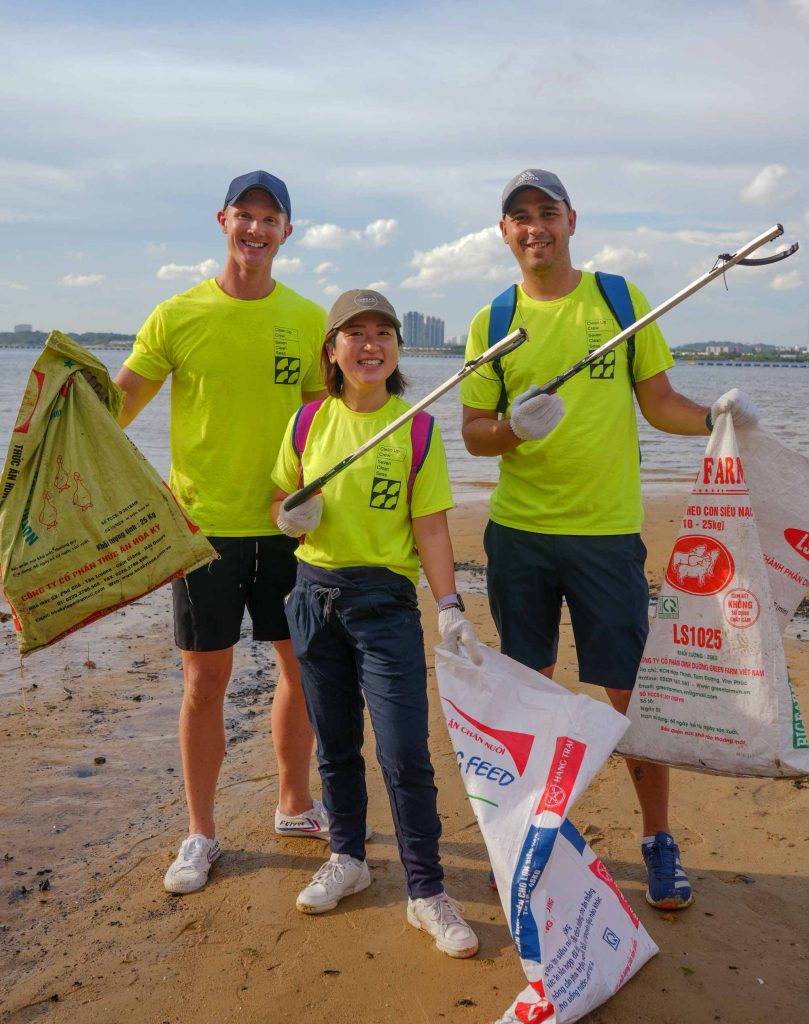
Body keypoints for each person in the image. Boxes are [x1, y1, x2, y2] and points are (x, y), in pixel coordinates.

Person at [460, 168, 760, 911]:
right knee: (528, 695)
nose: (534, 226)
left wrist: (716, 419)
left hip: (606, 539)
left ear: (570, 221)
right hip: (520, 537)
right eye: (519, 216)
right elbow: (471, 434)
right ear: (504, 234)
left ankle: (657, 840)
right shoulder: (492, 321)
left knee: (630, 696)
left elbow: (659, 404)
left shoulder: (618, 301)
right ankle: (536, 838)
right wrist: (508, 429)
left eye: (546, 212)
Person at [114, 170, 334, 895]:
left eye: (271, 220)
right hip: (200, 530)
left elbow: (318, 423)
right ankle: (201, 833)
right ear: (222, 221)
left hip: (284, 530)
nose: (256, 230)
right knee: (204, 681)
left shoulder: (306, 319)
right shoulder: (177, 314)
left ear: (286, 234)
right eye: (246, 216)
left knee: (299, 669)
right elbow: (115, 408)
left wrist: (320, 496)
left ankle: (294, 805)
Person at [270, 289, 482, 957]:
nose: (370, 344)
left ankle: (426, 892)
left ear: (396, 349)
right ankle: (349, 858)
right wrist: (288, 514)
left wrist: (449, 606)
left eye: (382, 333)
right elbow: (281, 493)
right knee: (335, 746)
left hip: (384, 604)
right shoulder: (307, 422)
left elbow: (430, 526)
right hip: (312, 598)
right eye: (354, 333)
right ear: (331, 351)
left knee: (404, 752)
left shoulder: (416, 426)